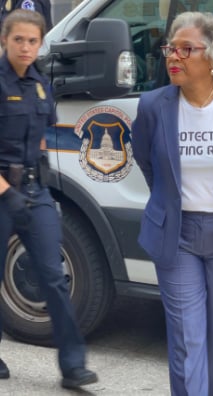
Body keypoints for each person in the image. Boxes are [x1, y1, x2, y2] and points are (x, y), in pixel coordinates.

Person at [131, 11, 213, 396]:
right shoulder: (153, 105)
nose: (173, 57)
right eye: (170, 48)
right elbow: (149, 164)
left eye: (186, 49)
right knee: (187, 341)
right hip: (177, 236)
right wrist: (170, 203)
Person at [0, 9, 97, 389]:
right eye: (18, 39)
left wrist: (42, 189)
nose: (26, 47)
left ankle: (73, 364)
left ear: (41, 43)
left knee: (54, 278)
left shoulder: (40, 84)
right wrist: (8, 195)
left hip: (35, 193)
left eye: (32, 40)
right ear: (4, 40)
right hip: (2, 193)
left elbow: (41, 140)